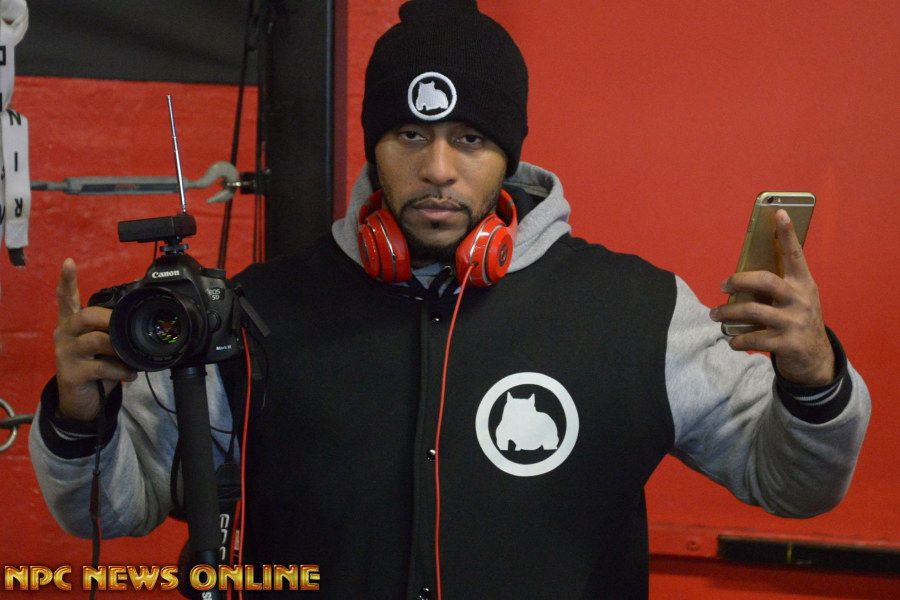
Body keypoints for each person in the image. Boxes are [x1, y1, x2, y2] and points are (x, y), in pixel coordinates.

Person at [31, 1, 870, 598]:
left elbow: (794, 484)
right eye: (411, 135)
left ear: (511, 156)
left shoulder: (639, 312)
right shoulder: (254, 314)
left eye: (469, 139)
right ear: (375, 147)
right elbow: (117, 506)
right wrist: (78, 416)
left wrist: (813, 379)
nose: (438, 169)